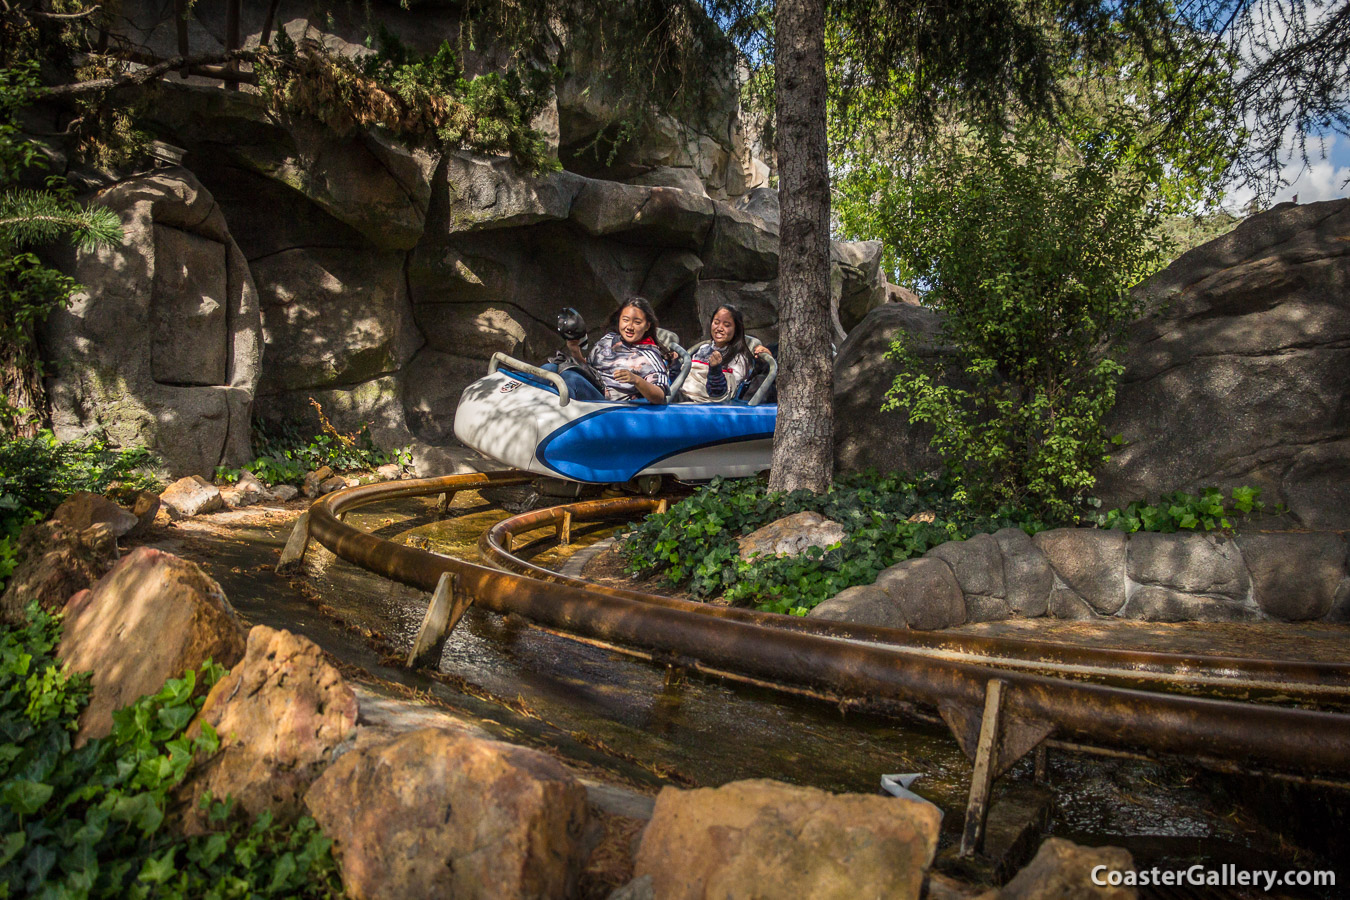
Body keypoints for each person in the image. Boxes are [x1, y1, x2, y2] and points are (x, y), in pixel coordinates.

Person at [550, 297, 670, 403]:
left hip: (606, 406)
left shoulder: (649, 356)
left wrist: (636, 380)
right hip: (593, 385)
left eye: (637, 322)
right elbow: (590, 368)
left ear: (647, 326)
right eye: (626, 320)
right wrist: (575, 351)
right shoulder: (609, 339)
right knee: (549, 369)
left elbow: (660, 396)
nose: (629, 327)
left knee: (570, 380)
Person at [677, 304, 771, 403]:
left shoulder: (739, 359)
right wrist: (674, 362)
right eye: (716, 323)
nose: (719, 328)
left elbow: (722, 397)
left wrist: (715, 370)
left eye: (727, 325)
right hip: (683, 395)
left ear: (736, 330)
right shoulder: (703, 348)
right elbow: (683, 379)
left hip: (704, 403)